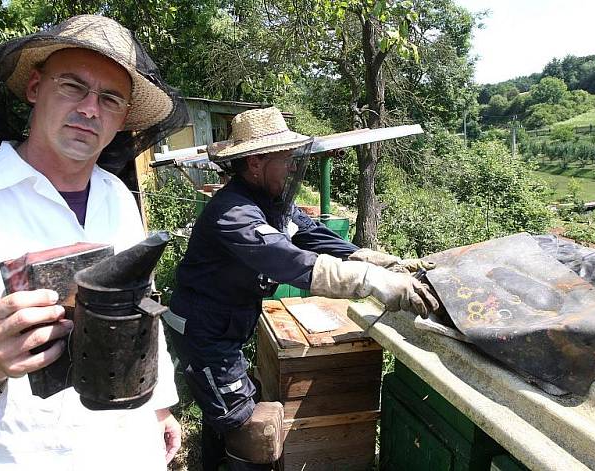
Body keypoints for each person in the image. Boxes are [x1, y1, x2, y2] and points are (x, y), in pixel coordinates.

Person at [0, 15, 189, 470]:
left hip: (135, 450)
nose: (89, 109)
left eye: (109, 98)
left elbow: (140, 309)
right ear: (34, 88)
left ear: (124, 119)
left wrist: (159, 405)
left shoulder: (118, 197)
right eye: (72, 87)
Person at [163, 107, 439, 470]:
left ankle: (215, 456)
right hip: (204, 334)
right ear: (256, 162)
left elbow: (314, 235)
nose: (293, 166)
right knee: (248, 428)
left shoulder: (272, 203)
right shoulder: (233, 213)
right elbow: (289, 261)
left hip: (226, 325)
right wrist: (370, 281)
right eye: (286, 158)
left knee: (227, 415)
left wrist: (378, 261)